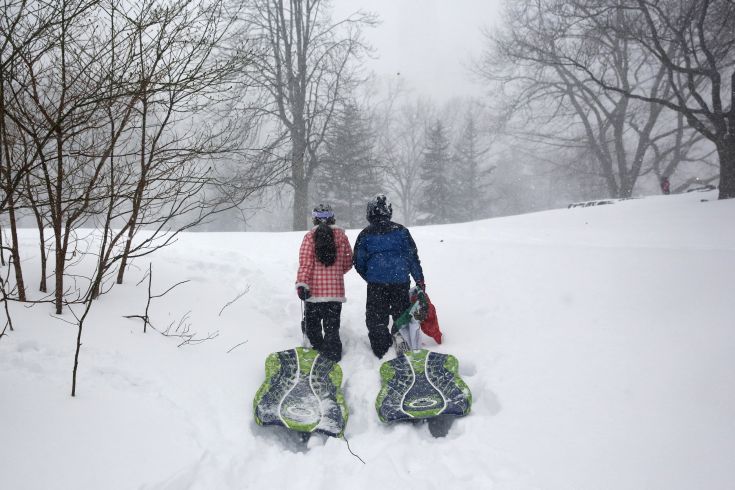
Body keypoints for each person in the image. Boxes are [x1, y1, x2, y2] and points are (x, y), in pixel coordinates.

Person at [353, 194, 425, 358]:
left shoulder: (365, 235)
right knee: (401, 315)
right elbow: (412, 257)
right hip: (400, 281)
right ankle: (402, 347)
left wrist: (371, 275)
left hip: (376, 284)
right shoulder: (401, 231)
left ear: (370, 213)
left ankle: (381, 350)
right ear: (389, 211)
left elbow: (358, 262)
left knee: (376, 318)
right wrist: (419, 280)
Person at [295, 204, 353, 362]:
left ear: (314, 219)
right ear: (332, 217)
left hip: (313, 294)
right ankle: (333, 360)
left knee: (312, 327)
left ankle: (315, 356)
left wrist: (302, 284)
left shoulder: (309, 237)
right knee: (332, 329)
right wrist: (335, 274)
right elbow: (348, 262)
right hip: (335, 294)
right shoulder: (342, 237)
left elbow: (305, 264)